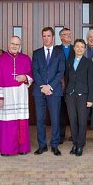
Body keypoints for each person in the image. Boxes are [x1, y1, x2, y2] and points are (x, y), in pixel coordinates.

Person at [0, 36, 33, 156]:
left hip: (21, 94)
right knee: (7, 123)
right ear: (8, 44)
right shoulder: (0, 59)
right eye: (13, 43)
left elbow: (31, 75)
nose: (14, 46)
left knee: (21, 122)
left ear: (20, 46)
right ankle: (7, 149)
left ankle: (22, 148)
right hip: (6, 95)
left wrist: (25, 77)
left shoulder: (25, 59)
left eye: (17, 44)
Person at [33, 27, 65, 156]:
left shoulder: (59, 53)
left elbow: (61, 72)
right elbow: (35, 71)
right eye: (44, 36)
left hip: (54, 91)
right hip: (39, 91)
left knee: (55, 119)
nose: (46, 38)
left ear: (53, 37)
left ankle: (54, 145)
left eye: (48, 36)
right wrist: (42, 86)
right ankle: (42, 145)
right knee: (40, 119)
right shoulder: (36, 53)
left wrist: (50, 86)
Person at [65, 39, 93, 156]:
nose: (80, 49)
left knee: (82, 121)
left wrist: (90, 99)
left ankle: (80, 145)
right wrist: (66, 94)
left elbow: (91, 82)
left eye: (82, 47)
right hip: (70, 95)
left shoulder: (88, 62)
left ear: (84, 49)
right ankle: (75, 144)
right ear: (74, 48)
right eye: (77, 46)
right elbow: (67, 78)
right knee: (72, 120)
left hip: (83, 95)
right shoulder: (69, 61)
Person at [56, 28, 75, 144]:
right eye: (65, 34)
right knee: (60, 112)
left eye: (69, 34)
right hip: (59, 84)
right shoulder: (56, 49)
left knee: (74, 112)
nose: (68, 36)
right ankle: (61, 136)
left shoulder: (75, 48)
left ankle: (75, 135)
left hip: (73, 85)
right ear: (61, 37)